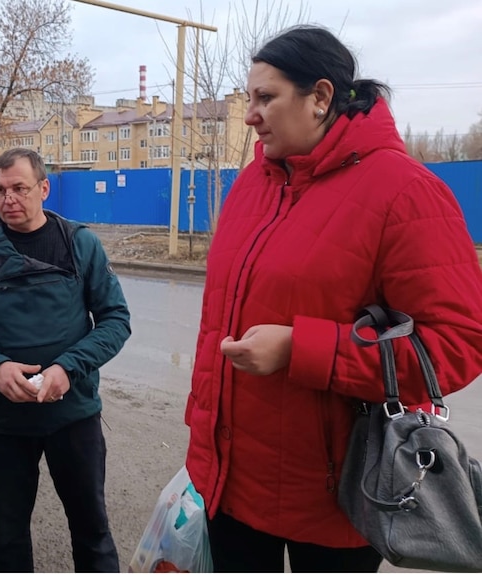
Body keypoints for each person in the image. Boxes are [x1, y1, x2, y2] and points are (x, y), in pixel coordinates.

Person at [185, 25, 482, 573]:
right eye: (248, 98)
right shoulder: (254, 182)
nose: (249, 114)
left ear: (320, 97)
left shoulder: (405, 191)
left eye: (265, 98)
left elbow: (457, 344)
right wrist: (202, 451)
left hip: (334, 494)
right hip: (229, 480)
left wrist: (302, 348)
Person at [0, 148, 131, 572]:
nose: (9, 199)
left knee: (92, 529)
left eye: (20, 189)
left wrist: (68, 366)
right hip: (7, 425)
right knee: (6, 534)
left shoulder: (79, 244)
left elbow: (116, 320)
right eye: (1, 190)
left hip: (74, 416)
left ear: (43, 189)